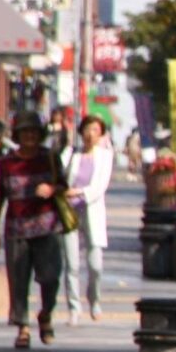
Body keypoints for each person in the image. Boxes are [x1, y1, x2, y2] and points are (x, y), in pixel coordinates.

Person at [0, 113, 68, 349]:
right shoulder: (7, 163)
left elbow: (64, 186)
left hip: (48, 228)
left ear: (40, 134)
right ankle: (22, 327)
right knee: (19, 281)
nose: (29, 136)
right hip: (17, 230)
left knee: (51, 278)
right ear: (17, 135)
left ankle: (45, 314)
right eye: (24, 132)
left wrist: (52, 189)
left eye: (33, 131)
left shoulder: (50, 158)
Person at [63, 115, 116, 324]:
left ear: (100, 134)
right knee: (72, 264)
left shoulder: (105, 156)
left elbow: (100, 186)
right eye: (87, 129)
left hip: (92, 211)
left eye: (95, 130)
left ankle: (94, 300)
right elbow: (60, 175)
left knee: (95, 265)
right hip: (69, 213)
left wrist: (78, 192)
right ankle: (74, 308)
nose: (91, 134)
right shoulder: (72, 155)